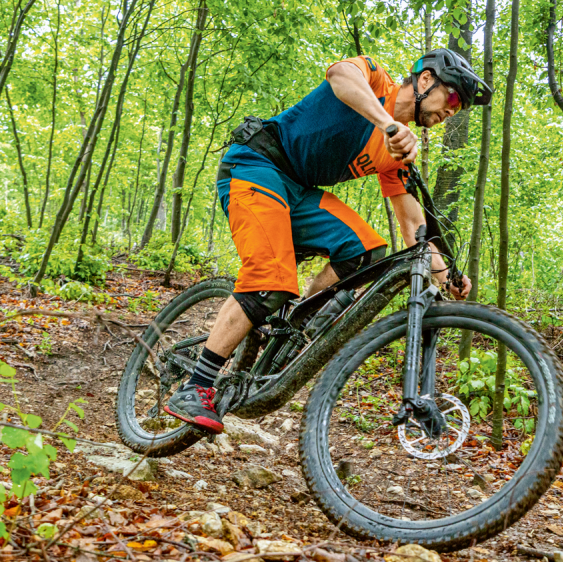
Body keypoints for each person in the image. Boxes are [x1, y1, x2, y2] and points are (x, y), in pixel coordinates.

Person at [164, 48, 492, 433]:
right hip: (256, 164)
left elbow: (413, 226)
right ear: (425, 80)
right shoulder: (372, 77)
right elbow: (339, 77)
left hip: (298, 191)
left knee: (367, 251)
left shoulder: (397, 157)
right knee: (270, 279)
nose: (453, 110)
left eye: (460, 108)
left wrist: (444, 276)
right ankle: (196, 386)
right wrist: (389, 125)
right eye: (453, 97)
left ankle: (293, 327)